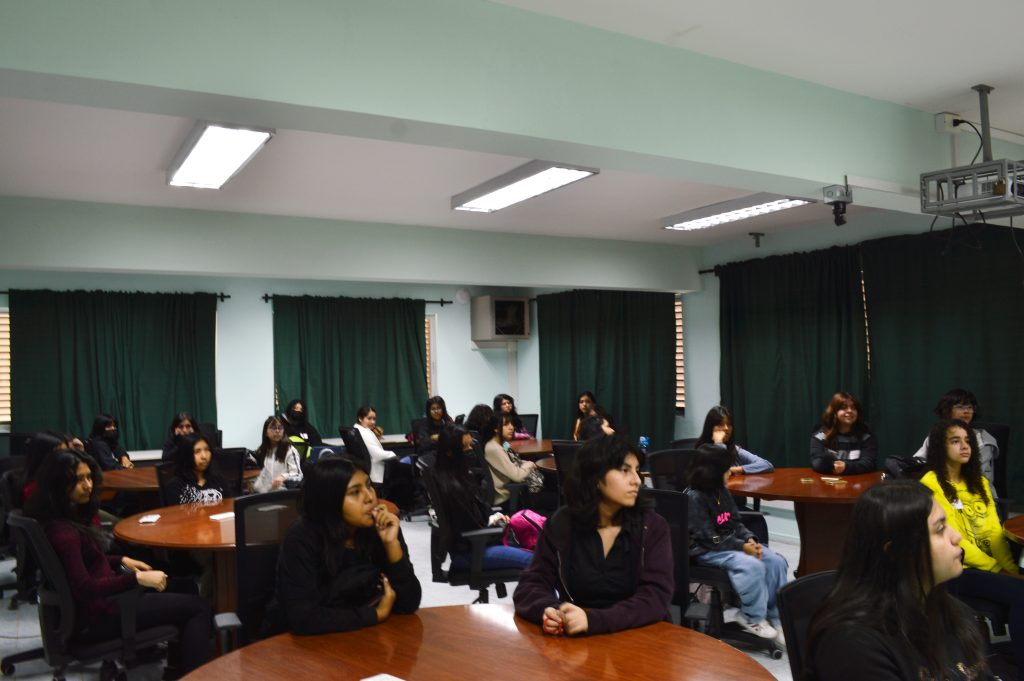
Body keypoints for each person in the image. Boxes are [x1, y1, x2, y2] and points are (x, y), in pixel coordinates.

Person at [25, 448, 210, 678]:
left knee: (186, 587)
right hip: (102, 615)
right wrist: (136, 578)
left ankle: (176, 669)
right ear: (58, 484)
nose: (88, 485)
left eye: (89, 477)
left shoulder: (61, 518)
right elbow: (83, 587)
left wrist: (121, 559)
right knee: (199, 608)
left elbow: (87, 560)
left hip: (104, 603)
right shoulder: (64, 533)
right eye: (78, 480)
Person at [806, 480, 993, 681]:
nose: (956, 537)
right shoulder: (852, 643)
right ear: (897, 552)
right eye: (939, 529)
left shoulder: (954, 612)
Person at [513, 433, 673, 635]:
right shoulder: (562, 524)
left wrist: (594, 621)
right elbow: (531, 584)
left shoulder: (652, 527)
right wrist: (548, 610)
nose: (637, 481)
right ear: (596, 477)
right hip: (579, 641)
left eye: (637, 471)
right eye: (625, 470)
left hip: (641, 637)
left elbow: (655, 597)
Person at [919, 419, 1023, 671]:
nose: (965, 446)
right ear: (940, 448)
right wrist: (997, 569)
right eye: (955, 441)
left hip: (989, 565)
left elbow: (994, 532)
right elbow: (956, 538)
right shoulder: (931, 483)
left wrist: (1010, 567)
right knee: (1021, 593)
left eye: (967, 441)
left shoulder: (980, 483)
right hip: (956, 566)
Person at [274, 456, 421, 634]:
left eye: (368, 485)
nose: (370, 497)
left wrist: (392, 546)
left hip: (364, 638)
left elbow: (409, 603)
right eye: (354, 492)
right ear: (330, 501)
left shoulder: (381, 528)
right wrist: (375, 614)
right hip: (306, 649)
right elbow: (304, 619)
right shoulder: (303, 537)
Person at [686, 444, 788, 642]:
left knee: (776, 561)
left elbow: (735, 522)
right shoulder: (694, 498)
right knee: (752, 565)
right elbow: (710, 538)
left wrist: (750, 539)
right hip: (706, 550)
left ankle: (775, 617)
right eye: (726, 469)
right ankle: (751, 616)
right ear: (711, 472)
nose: (730, 472)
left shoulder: (721, 492)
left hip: (729, 543)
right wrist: (742, 547)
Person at [431, 424, 533, 571]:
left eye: (471, 446)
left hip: (475, 544)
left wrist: (493, 518)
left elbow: (475, 518)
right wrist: (497, 526)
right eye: (466, 448)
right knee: (536, 561)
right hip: (473, 552)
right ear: (450, 453)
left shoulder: (455, 476)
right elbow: (472, 529)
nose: (471, 451)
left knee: (538, 553)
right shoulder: (454, 488)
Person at [912, 389, 999, 495]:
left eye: (970, 407)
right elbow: (919, 461)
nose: (966, 411)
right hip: (941, 488)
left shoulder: (984, 440)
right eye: (960, 407)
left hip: (976, 494)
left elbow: (975, 474)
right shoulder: (936, 435)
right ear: (947, 410)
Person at [480, 412, 543, 506]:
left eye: (511, 424)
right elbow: (517, 476)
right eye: (506, 424)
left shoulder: (503, 444)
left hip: (514, 489)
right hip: (507, 496)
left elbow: (513, 460)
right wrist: (529, 465)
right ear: (496, 428)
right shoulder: (494, 449)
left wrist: (524, 462)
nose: (511, 428)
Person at [809, 392, 878, 475]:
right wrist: (833, 465)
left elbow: (868, 464)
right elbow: (816, 463)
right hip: (828, 484)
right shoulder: (820, 436)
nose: (849, 411)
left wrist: (846, 467)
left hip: (858, 483)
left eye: (853, 408)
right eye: (844, 408)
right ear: (834, 412)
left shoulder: (867, 436)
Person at [694, 405, 773, 475]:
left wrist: (736, 469)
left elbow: (767, 465)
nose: (726, 428)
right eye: (720, 424)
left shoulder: (734, 449)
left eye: (729, 424)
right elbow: (718, 472)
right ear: (710, 428)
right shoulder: (702, 450)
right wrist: (719, 443)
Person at [166, 434, 226, 505]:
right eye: (197, 451)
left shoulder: (218, 479)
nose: (204, 456)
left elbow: (230, 505)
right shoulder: (176, 486)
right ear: (186, 455)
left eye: (207, 450)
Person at [251, 416, 302, 494]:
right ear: (266, 432)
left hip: (282, 493)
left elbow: (298, 475)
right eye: (273, 428)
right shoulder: (261, 451)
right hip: (263, 493)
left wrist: (283, 477)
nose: (277, 431)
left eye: (280, 428)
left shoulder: (290, 450)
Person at [353, 406, 397, 486]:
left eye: (374, 419)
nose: (373, 422)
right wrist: (393, 454)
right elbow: (378, 455)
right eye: (369, 418)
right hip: (375, 474)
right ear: (360, 418)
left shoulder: (357, 429)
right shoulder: (365, 433)